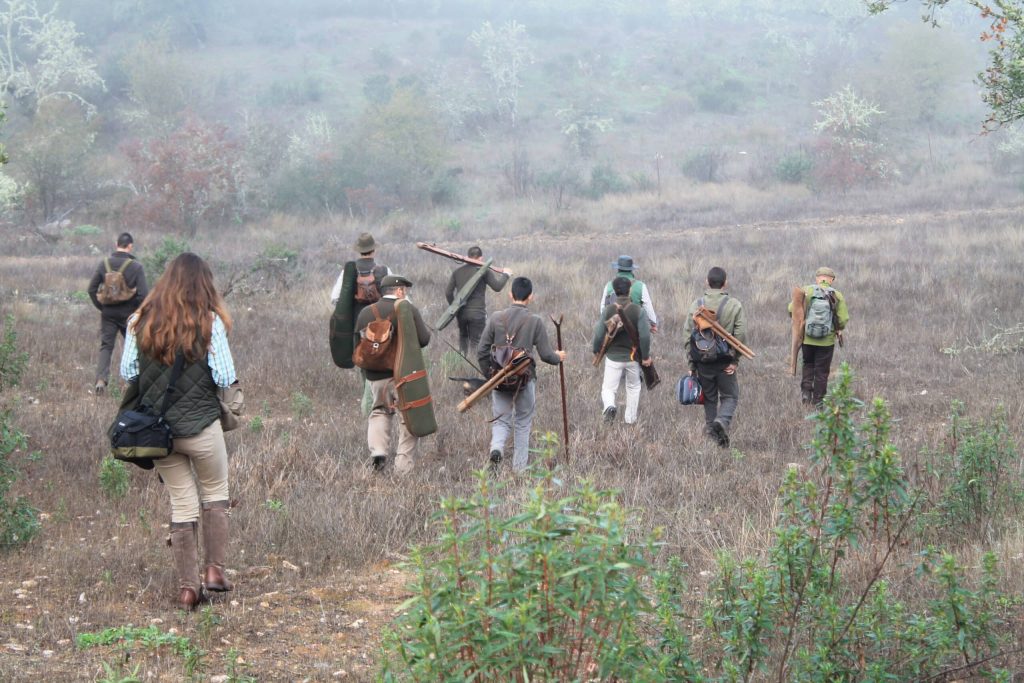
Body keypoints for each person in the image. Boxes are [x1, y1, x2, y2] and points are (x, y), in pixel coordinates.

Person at [120, 253, 237, 609]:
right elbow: (224, 377)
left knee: (182, 504)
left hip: (160, 434)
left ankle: (188, 590)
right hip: (202, 427)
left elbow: (128, 373)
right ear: (203, 283)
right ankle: (214, 571)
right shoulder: (210, 322)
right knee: (215, 493)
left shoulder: (139, 321)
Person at [477, 277, 566, 472]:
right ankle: (519, 470)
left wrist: (490, 376)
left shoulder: (495, 318)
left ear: (510, 294)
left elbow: (481, 351)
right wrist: (559, 357)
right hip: (525, 381)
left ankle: (497, 449)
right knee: (523, 423)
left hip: (499, 380)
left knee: (501, 419)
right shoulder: (535, 321)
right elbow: (546, 356)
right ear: (531, 297)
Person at [355, 274, 431, 474]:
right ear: (399, 291)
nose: (405, 293)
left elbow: (359, 346)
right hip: (403, 376)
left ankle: (378, 454)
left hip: (375, 376)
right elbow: (424, 340)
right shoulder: (407, 309)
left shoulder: (365, 312)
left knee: (379, 412)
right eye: (404, 290)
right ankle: (402, 468)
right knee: (408, 418)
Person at [683, 266, 747, 448]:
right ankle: (721, 422)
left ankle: (713, 433)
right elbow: (741, 334)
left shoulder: (696, 305)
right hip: (725, 361)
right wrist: (735, 360)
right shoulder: (734, 305)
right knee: (730, 396)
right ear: (725, 283)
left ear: (706, 282)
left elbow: (687, 335)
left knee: (710, 399)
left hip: (702, 363)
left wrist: (692, 363)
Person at [88, 232, 147, 394]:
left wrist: (102, 308)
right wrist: (136, 312)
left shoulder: (103, 264)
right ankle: (137, 383)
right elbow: (143, 295)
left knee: (106, 346)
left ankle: (101, 380)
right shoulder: (136, 266)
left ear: (116, 244)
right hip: (129, 315)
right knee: (136, 347)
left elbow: (91, 289)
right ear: (130, 246)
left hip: (108, 313)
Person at [592, 276, 652, 424]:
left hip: (613, 358)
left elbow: (599, 333)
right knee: (633, 387)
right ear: (630, 290)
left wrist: (596, 349)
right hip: (633, 358)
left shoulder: (608, 310)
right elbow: (645, 336)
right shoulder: (638, 311)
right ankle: (630, 420)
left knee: (608, 388)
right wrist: (645, 357)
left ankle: (610, 406)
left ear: (614, 291)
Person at [790, 266, 849, 406]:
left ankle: (806, 394)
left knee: (808, 365)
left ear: (817, 278)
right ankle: (818, 402)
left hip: (807, 339)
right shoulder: (837, 295)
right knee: (822, 371)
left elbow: (791, 308)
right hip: (826, 342)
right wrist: (838, 328)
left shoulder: (806, 290)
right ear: (832, 280)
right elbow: (843, 319)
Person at [444, 246, 510, 355]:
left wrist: (454, 307)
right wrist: (506, 275)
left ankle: (462, 366)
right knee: (477, 344)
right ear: (481, 258)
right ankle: (475, 368)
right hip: (477, 313)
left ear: (467, 257)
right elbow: (497, 287)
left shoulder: (457, 272)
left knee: (463, 340)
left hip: (461, 313)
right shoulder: (484, 271)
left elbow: (448, 293)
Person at [330, 232, 390, 311]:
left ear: (359, 251)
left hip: (356, 320)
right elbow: (396, 297)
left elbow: (334, 297)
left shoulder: (348, 271)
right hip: (380, 319)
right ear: (374, 250)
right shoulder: (384, 270)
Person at [600, 255, 658, 332]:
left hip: (613, 327)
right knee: (645, 340)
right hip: (634, 327)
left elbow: (603, 308)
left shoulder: (609, 285)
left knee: (599, 341)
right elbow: (648, 307)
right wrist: (653, 324)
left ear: (618, 269)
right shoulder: (641, 286)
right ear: (631, 270)